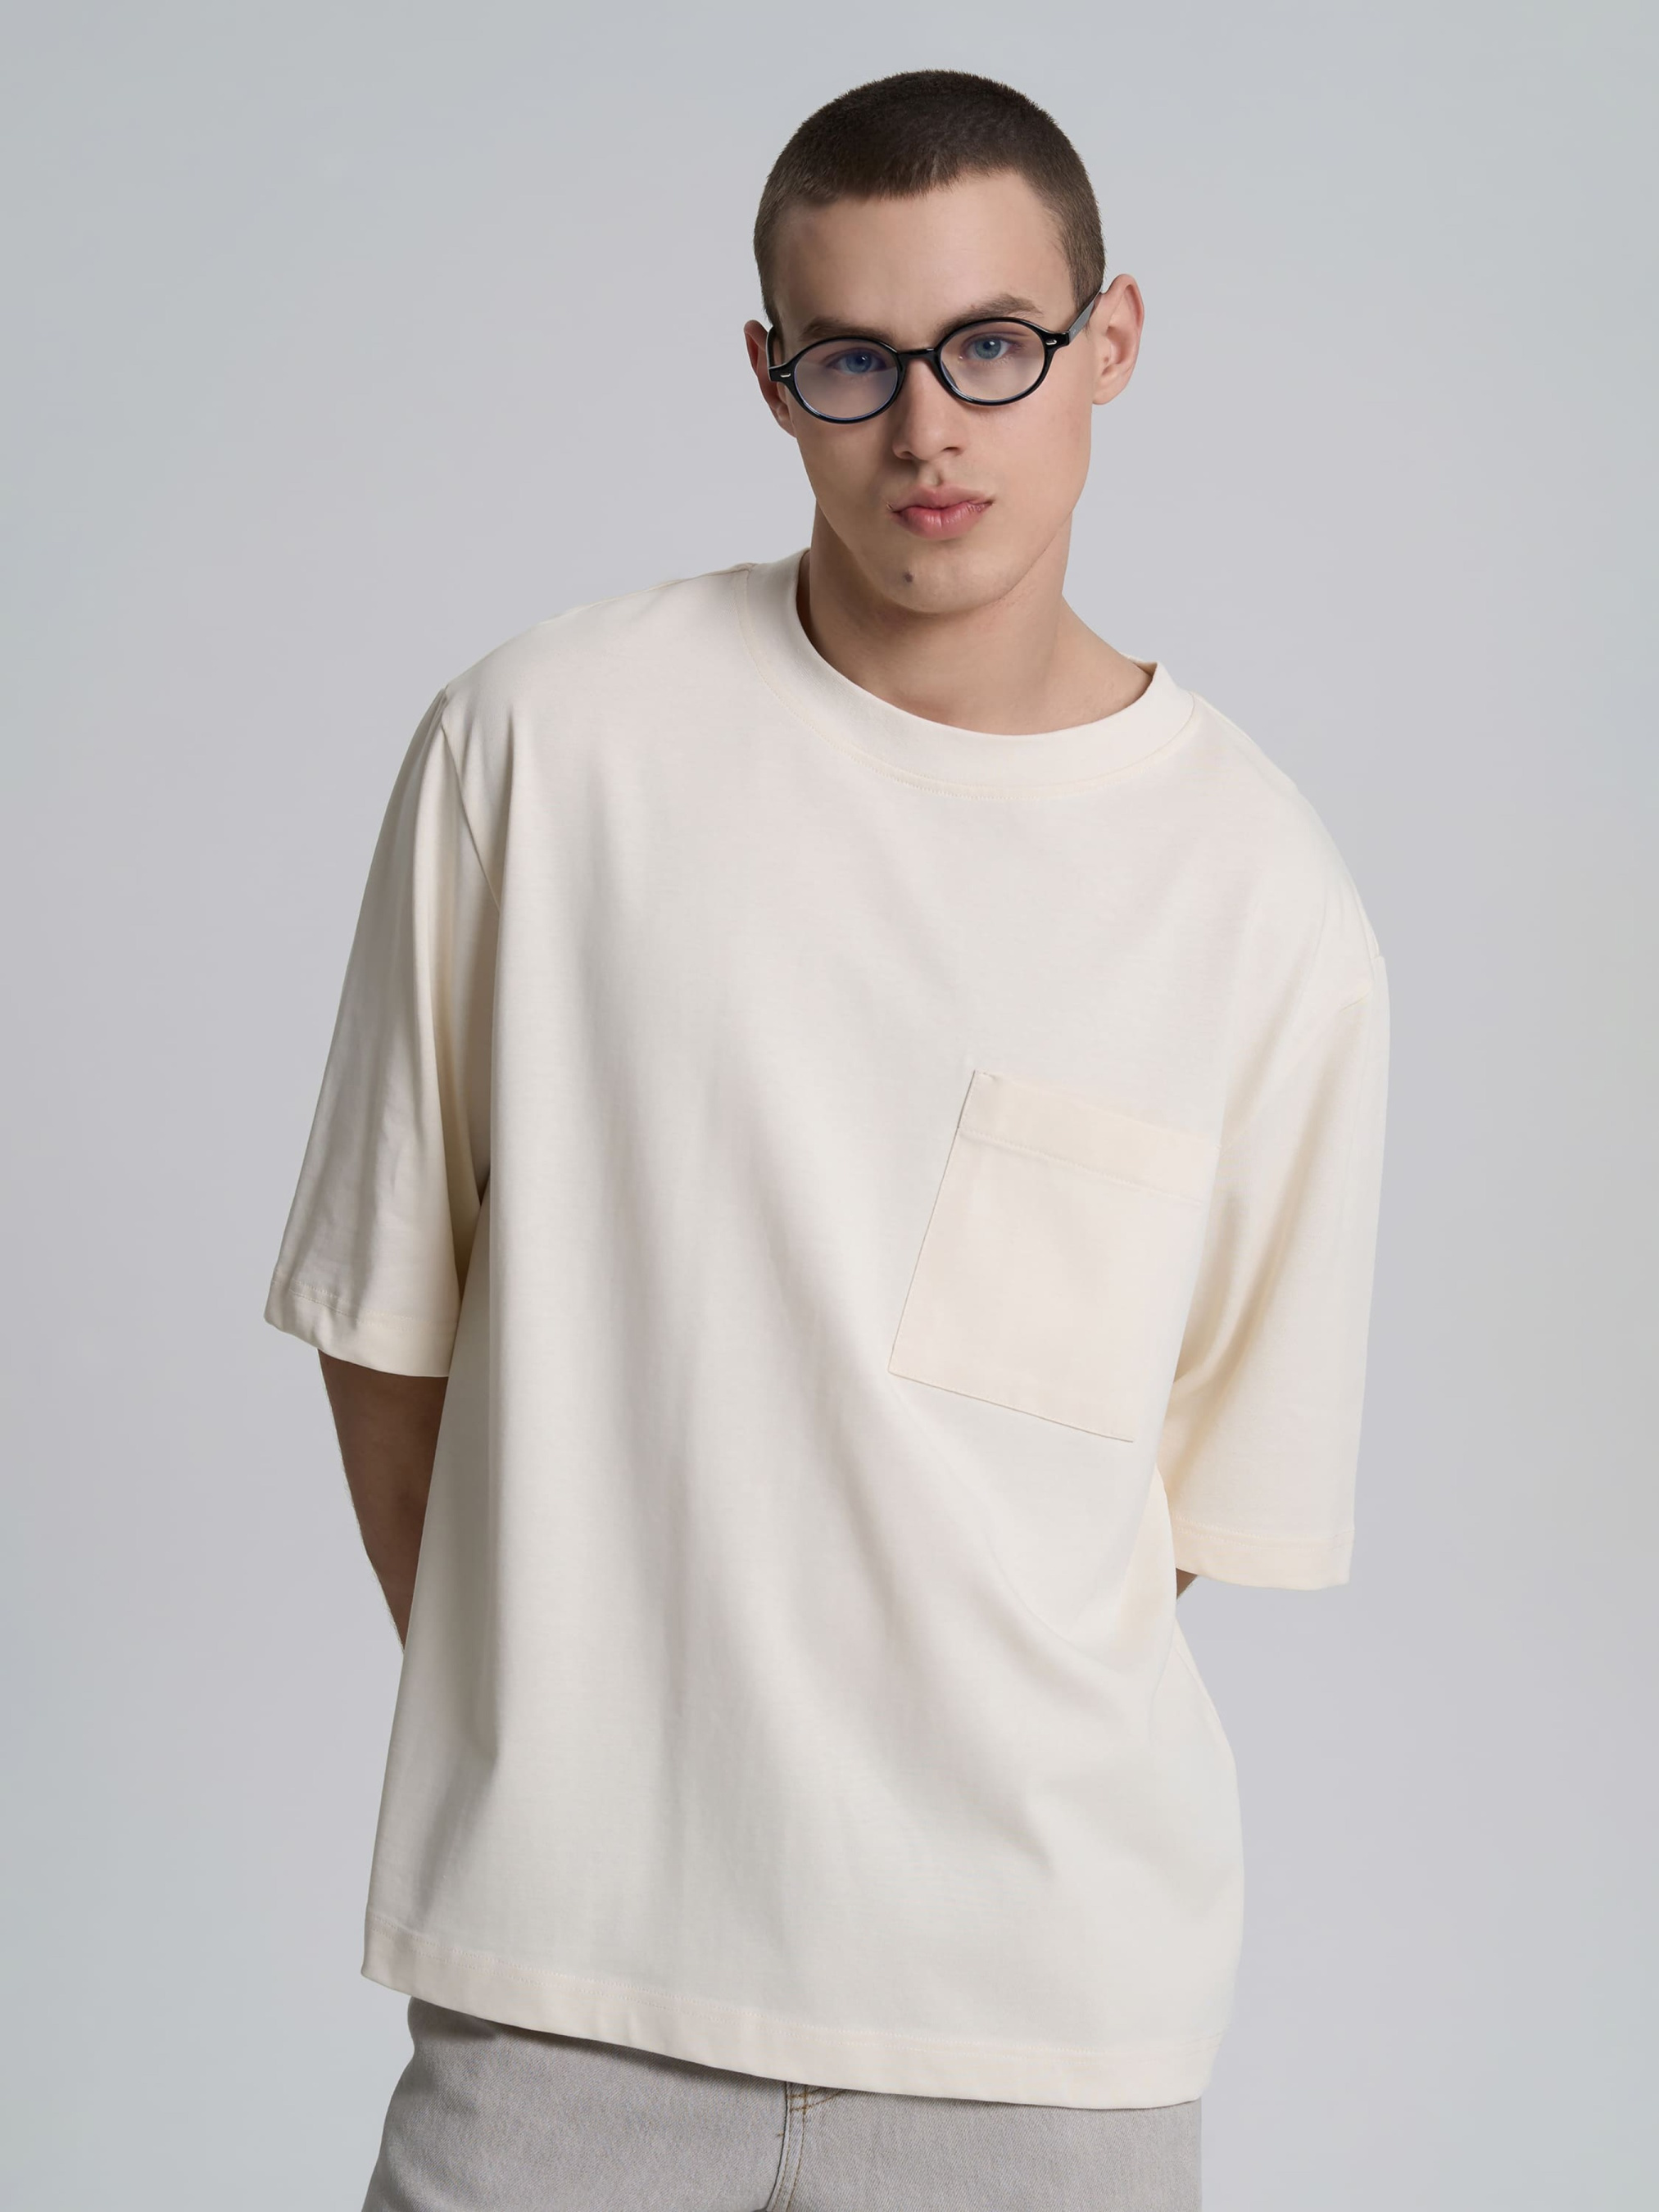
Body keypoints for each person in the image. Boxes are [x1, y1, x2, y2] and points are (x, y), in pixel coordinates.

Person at [265, 67, 1389, 2212]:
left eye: (992, 346)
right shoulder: (544, 750)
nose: (927, 428)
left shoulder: (1261, 902)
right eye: (854, 361)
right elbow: (384, 1329)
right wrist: (582, 1741)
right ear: (770, 377)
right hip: (561, 1995)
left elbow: (1163, 1511)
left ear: (1110, 342)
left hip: (1036, 2030)